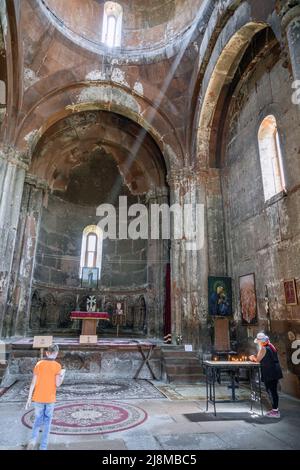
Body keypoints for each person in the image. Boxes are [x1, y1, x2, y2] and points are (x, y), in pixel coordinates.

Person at [25, 344, 66, 450]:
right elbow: (57, 384)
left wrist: (29, 398)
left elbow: (33, 383)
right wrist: (62, 375)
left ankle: (33, 441)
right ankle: (43, 446)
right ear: (56, 353)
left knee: (37, 420)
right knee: (47, 422)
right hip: (50, 398)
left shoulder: (39, 364)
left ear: (47, 353)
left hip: (38, 397)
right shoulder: (57, 366)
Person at [249, 332, 283, 418]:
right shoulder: (271, 345)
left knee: (271, 391)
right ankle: (275, 409)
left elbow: (257, 359)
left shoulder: (264, 348)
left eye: (259, 341)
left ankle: (275, 412)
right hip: (274, 370)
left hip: (270, 371)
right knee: (273, 390)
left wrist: (252, 357)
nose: (258, 343)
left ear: (261, 341)